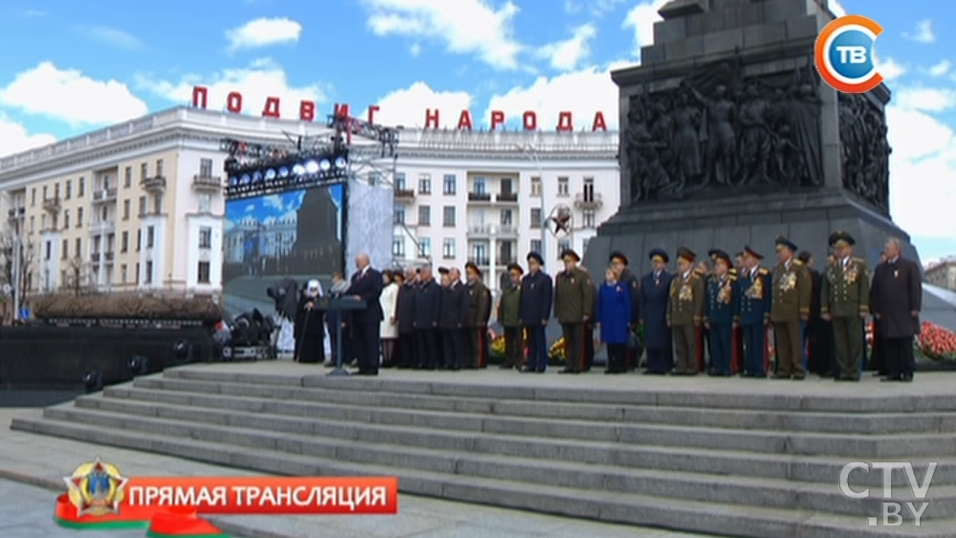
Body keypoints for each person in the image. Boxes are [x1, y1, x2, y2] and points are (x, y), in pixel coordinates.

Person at [870, 237, 922, 382]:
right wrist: (876, 309)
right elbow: (875, 291)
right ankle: (893, 371)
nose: (886, 250)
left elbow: (915, 288)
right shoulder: (881, 268)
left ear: (897, 250)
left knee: (904, 343)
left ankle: (907, 371)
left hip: (904, 313)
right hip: (887, 313)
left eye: (889, 248)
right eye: (886, 248)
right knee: (890, 344)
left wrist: (915, 307)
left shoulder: (909, 266)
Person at [820, 232, 870, 381]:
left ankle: (854, 371)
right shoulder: (831, 267)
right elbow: (825, 290)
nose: (839, 251)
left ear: (850, 249)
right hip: (837, 308)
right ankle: (844, 370)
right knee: (840, 342)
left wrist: (863, 307)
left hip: (853, 309)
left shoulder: (859, 265)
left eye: (842, 248)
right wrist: (825, 309)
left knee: (854, 342)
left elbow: (864, 287)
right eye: (837, 249)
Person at [770, 236, 811, 380]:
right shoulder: (777, 269)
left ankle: (799, 369)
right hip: (780, 311)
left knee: (796, 342)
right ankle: (784, 369)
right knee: (782, 343)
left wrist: (804, 309)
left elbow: (805, 289)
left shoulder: (799, 268)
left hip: (794, 311)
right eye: (778, 252)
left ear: (790, 252)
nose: (779, 254)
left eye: (781, 251)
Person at [553, 249, 595, 374]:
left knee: (578, 341)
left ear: (575, 262)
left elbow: (588, 295)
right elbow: (558, 296)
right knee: (568, 341)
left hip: (577, 315)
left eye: (569, 261)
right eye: (565, 262)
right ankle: (569, 364)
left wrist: (586, 312)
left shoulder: (582, 276)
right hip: (565, 314)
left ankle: (577, 365)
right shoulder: (560, 277)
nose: (567, 264)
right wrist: (557, 311)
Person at [667, 247, 705, 375]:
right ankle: (681, 365)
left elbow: (699, 298)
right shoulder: (675, 280)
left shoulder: (695, 280)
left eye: (682, 263)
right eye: (679, 264)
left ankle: (692, 366)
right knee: (679, 343)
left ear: (690, 264)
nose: (680, 266)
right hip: (677, 316)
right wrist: (669, 314)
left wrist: (697, 315)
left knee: (691, 343)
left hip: (689, 316)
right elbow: (671, 299)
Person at [346, 253, 384, 376]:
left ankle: (372, 366)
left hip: (370, 314)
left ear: (366, 261)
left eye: (359, 261)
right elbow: (351, 290)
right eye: (356, 261)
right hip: (357, 314)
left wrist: (362, 298)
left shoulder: (375, 275)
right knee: (359, 341)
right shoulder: (355, 277)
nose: (357, 263)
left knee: (371, 341)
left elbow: (376, 291)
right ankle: (362, 366)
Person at [736, 246, 771, 378]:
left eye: (747, 258)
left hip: (758, 313)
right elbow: (741, 295)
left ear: (755, 259)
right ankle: (750, 368)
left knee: (758, 342)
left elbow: (767, 294)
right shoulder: (744, 275)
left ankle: (759, 368)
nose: (745, 261)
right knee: (749, 343)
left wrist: (767, 313)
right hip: (747, 313)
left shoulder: (764, 274)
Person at [640, 248, 673, 375]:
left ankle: (663, 365)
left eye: (659, 262)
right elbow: (642, 298)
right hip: (650, 314)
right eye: (654, 262)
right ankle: (652, 365)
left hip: (662, 314)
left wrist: (669, 314)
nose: (656, 265)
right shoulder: (646, 279)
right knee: (651, 340)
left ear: (664, 264)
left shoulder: (669, 279)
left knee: (663, 341)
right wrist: (641, 316)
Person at [704, 249, 737, 376]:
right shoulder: (712, 282)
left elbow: (735, 301)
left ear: (726, 266)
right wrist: (707, 316)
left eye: (719, 265)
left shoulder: (731, 281)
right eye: (715, 265)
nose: (716, 267)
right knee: (715, 344)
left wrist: (735, 317)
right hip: (714, 317)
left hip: (725, 317)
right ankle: (717, 367)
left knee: (725, 343)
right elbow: (708, 300)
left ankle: (726, 367)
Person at [519, 252, 552, 374]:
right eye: (529, 263)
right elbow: (522, 299)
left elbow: (547, 299)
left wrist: (545, 316)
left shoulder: (544, 279)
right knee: (530, 341)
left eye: (533, 263)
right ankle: (531, 362)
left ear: (538, 264)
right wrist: (521, 315)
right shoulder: (526, 280)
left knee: (539, 340)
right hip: (528, 315)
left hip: (538, 316)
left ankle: (541, 363)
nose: (531, 266)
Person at [598, 266, 633, 374]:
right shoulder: (603, 288)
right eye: (606, 274)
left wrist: (628, 319)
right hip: (607, 319)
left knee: (619, 343)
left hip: (619, 320)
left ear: (615, 275)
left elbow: (627, 303)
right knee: (610, 343)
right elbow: (599, 304)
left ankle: (620, 365)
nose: (607, 276)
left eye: (609, 274)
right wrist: (599, 318)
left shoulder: (622, 287)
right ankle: (611, 365)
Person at [609, 251, 640, 370]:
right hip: (613, 317)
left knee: (626, 342)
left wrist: (632, 318)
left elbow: (634, 299)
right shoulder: (611, 278)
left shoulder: (629, 278)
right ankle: (614, 363)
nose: (615, 267)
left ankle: (627, 363)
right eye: (613, 264)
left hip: (625, 317)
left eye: (618, 264)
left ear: (624, 265)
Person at [413, 266, 443, 370]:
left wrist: (435, 319)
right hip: (420, 319)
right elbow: (416, 304)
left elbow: (437, 304)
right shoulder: (419, 287)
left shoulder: (436, 288)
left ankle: (432, 361)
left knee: (431, 343)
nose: (422, 275)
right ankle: (422, 361)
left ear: (429, 274)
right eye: (421, 273)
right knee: (421, 343)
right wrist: (415, 318)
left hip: (430, 319)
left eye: (424, 273)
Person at [439, 267, 468, 371]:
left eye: (452, 274)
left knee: (457, 343)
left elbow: (464, 306)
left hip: (456, 321)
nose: (450, 275)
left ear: (458, 275)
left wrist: (461, 320)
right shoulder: (447, 288)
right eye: (450, 274)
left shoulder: (462, 288)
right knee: (447, 343)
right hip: (446, 320)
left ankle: (458, 362)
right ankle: (449, 362)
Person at [464, 262, 492, 369]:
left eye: (470, 273)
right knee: (468, 342)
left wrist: (480, 320)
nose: (468, 276)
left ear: (476, 274)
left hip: (476, 319)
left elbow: (482, 305)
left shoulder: (480, 288)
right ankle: (469, 360)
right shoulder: (466, 287)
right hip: (467, 319)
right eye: (467, 273)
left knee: (477, 343)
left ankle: (477, 361)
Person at [294, 280, 328, 364]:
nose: (313, 292)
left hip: (316, 325)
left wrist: (315, 305)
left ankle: (317, 357)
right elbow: (299, 309)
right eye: (311, 289)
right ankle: (305, 357)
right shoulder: (304, 298)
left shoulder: (321, 298)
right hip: (306, 325)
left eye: (315, 289)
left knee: (316, 341)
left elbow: (324, 308)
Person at [497, 263, 524, 370]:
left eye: (514, 275)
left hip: (517, 319)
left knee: (518, 342)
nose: (512, 277)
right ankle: (509, 360)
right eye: (511, 275)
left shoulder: (522, 288)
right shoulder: (507, 289)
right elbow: (503, 303)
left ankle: (519, 361)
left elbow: (524, 303)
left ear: (519, 275)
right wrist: (501, 317)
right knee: (508, 342)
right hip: (507, 319)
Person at [324, 272, 351, 367]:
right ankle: (334, 357)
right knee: (333, 338)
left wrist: (345, 320)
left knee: (342, 339)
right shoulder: (332, 291)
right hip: (332, 317)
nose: (333, 280)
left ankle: (343, 358)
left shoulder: (347, 289)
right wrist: (326, 318)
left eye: (335, 278)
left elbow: (347, 307)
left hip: (341, 318)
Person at [378, 270, 400, 368]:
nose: (384, 279)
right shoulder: (383, 288)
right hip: (383, 315)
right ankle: (384, 358)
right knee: (383, 338)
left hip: (389, 315)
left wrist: (393, 315)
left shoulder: (394, 287)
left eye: (386, 277)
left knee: (390, 338)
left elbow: (395, 301)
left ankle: (390, 359)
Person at [396, 269, 417, 369]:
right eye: (407, 274)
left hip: (412, 317)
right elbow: (398, 302)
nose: (408, 276)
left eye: (410, 274)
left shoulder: (417, 287)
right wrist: (397, 316)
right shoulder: (402, 287)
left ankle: (413, 360)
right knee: (403, 341)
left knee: (412, 341)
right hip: (403, 317)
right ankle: (405, 361)